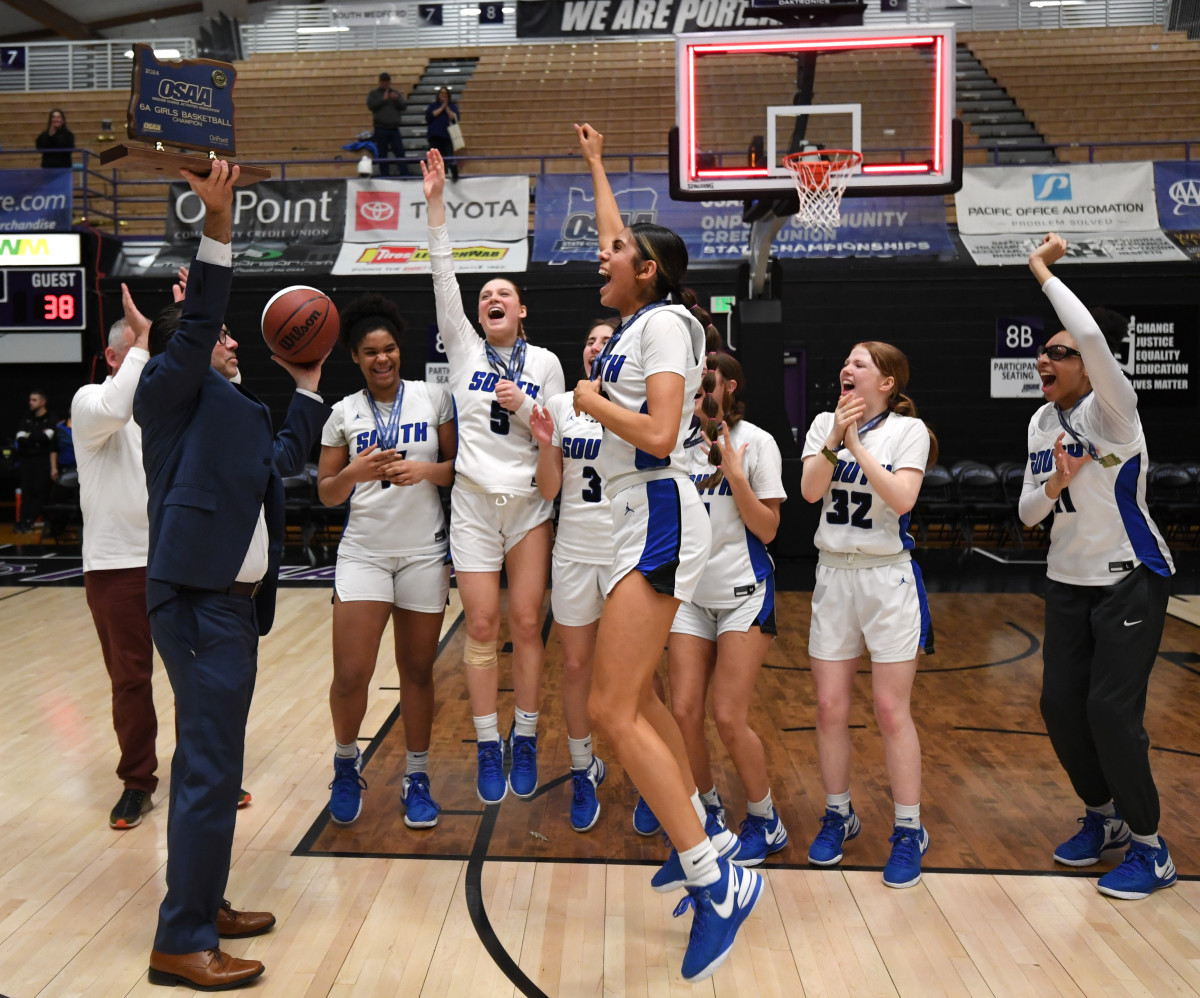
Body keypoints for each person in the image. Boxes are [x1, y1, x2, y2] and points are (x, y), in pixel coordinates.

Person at [133, 161, 331, 991]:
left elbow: (282, 462)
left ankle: (203, 901)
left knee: (210, 764)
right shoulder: (169, 391)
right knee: (212, 768)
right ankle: (181, 940)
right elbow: (201, 316)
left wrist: (310, 387)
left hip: (233, 608)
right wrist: (219, 223)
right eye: (217, 337)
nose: (230, 341)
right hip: (198, 600)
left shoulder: (241, 412)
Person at [572, 122, 761, 984]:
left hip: (654, 509)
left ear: (647, 271)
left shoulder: (666, 329)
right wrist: (600, 166)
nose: (601, 259)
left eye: (618, 256)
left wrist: (586, 399)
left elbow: (656, 431)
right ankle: (710, 835)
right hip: (629, 516)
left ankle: (716, 879)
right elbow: (622, 240)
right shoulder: (647, 311)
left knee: (610, 711)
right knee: (632, 704)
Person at [1019, 232, 1176, 900]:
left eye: (1060, 351)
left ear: (1089, 363)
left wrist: (1039, 269)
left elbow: (1088, 332)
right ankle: (1105, 818)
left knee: (1111, 713)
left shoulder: (1114, 412)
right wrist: (1055, 484)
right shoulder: (1040, 423)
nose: (1045, 357)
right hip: (1067, 583)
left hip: (1129, 578)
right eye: (1044, 350)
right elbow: (1029, 514)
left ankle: (1150, 847)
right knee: (1060, 707)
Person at [422, 147, 564, 806]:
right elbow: (444, 279)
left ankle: (526, 734)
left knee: (529, 622)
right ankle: (487, 741)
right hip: (476, 505)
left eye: (504, 292)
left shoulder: (549, 364)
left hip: (530, 504)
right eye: (486, 296)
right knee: (480, 627)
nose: (492, 297)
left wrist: (529, 407)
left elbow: (556, 437)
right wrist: (435, 207)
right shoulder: (464, 350)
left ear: (523, 310)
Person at [799, 340, 936, 889]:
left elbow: (902, 499)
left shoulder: (910, 432)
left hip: (887, 577)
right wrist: (836, 437)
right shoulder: (822, 424)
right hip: (833, 573)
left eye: (859, 363)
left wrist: (856, 444)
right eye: (846, 360)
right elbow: (810, 492)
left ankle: (908, 829)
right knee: (830, 705)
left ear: (887, 382)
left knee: (888, 709)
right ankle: (839, 813)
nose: (845, 368)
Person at [317, 293, 456, 830]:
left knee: (417, 672)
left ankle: (416, 776)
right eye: (371, 352)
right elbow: (328, 492)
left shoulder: (433, 398)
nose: (382, 359)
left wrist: (424, 473)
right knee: (352, 674)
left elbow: (455, 469)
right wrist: (357, 472)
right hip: (365, 555)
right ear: (355, 357)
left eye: (391, 349)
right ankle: (347, 764)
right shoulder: (342, 413)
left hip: (424, 552)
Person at [668, 350, 788, 867]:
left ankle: (766, 819)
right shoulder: (674, 445)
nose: (697, 395)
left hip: (745, 595)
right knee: (683, 712)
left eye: (706, 386)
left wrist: (734, 472)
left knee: (729, 716)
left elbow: (767, 529)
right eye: (691, 387)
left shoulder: (757, 443)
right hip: (690, 598)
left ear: (731, 387)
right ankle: (709, 809)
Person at [73, 298, 173, 830]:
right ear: (115, 357)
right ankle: (138, 781)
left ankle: (210, 773)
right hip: (115, 564)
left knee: (197, 678)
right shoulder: (90, 401)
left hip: (175, 558)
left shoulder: (165, 403)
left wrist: (178, 324)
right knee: (130, 680)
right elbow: (116, 407)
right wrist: (143, 338)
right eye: (136, 351)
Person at [528, 318, 616, 832]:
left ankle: (653, 778)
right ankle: (583, 768)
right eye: (589, 340)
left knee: (639, 678)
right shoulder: (562, 407)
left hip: (628, 553)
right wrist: (544, 444)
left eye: (606, 341)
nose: (596, 347)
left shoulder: (642, 403)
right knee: (577, 668)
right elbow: (547, 491)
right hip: (576, 551)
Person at [14, 390, 56, 533]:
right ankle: (22, 521)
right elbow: (20, 439)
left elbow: (47, 438)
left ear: (43, 402)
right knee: (27, 491)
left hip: (42, 460)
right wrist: (36, 437)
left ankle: (30, 520)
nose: (31, 402)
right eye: (30, 400)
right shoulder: (26, 418)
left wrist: (30, 436)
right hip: (27, 460)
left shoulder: (50, 418)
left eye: (34, 400)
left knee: (40, 491)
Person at [367, 72, 408, 177]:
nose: (386, 83)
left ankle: (405, 174)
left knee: (400, 153)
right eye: (384, 81)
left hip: (394, 128)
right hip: (381, 128)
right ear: (380, 82)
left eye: (387, 81)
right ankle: (385, 175)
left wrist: (396, 100)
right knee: (382, 154)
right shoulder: (374, 94)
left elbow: (403, 106)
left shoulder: (395, 93)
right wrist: (382, 100)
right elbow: (371, 106)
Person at [425, 86, 460, 181]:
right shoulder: (433, 106)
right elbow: (430, 116)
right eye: (441, 93)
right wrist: (442, 107)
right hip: (435, 135)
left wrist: (447, 108)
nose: (443, 95)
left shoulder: (452, 106)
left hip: (448, 136)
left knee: (449, 156)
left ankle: (451, 172)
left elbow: (455, 118)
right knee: (436, 158)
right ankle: (437, 175)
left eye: (445, 94)